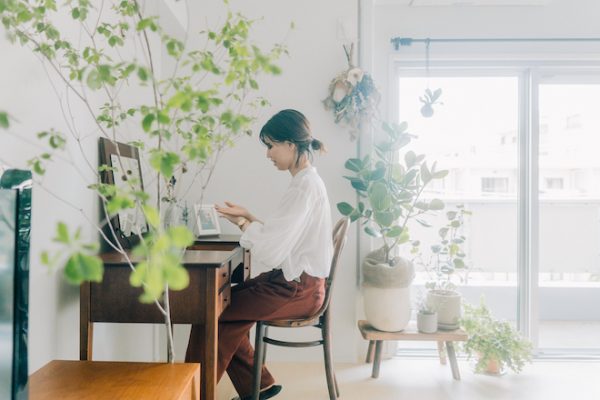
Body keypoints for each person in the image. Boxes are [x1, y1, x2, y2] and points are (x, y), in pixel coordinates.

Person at [185, 109, 333, 400]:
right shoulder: (307, 182)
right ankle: (259, 385)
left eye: (270, 145)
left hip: (295, 289)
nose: (268, 154)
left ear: (290, 144)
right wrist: (249, 216)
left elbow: (272, 249)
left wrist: (243, 224)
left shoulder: (303, 187)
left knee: (210, 311)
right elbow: (286, 236)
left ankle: (192, 393)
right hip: (296, 283)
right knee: (218, 305)